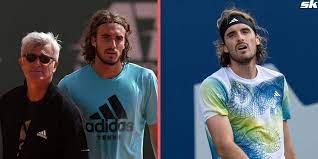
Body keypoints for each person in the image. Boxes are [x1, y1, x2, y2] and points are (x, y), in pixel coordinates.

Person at [58, 10, 158, 159]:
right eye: (106, 37)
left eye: (119, 39)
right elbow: (59, 141)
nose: (113, 45)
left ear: (125, 43)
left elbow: (158, 137)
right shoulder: (68, 85)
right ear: (93, 40)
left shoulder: (145, 79)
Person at [199, 8, 296, 159]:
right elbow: (224, 146)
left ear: (257, 39)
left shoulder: (277, 80)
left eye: (245, 31)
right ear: (224, 47)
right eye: (231, 35)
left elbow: (286, 141)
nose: (240, 38)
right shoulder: (214, 85)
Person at [0, 32, 89, 159]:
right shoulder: (8, 102)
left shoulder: (66, 110)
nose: (37, 63)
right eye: (31, 57)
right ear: (21, 62)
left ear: (55, 65)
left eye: (44, 59)